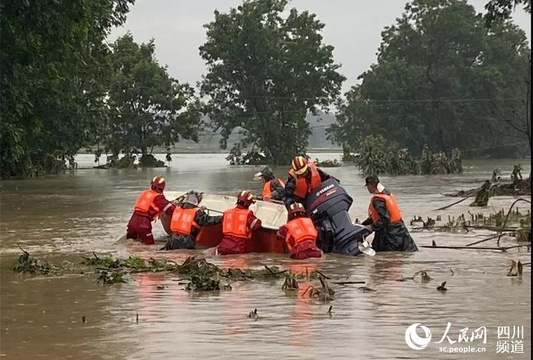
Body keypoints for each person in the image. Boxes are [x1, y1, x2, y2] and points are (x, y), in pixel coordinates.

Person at [361, 175, 418, 252]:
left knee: (385, 257)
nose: (367, 189)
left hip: (389, 234)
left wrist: (371, 227)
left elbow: (385, 219)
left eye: (367, 186)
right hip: (400, 229)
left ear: (370, 185)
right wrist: (362, 226)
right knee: (406, 253)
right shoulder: (387, 194)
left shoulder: (378, 199)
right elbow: (375, 217)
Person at [126, 176, 176, 245]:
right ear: (162, 188)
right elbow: (171, 210)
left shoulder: (145, 193)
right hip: (143, 224)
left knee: (130, 243)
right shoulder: (159, 198)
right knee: (149, 245)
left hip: (132, 222)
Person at [217, 190, 262, 255]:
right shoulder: (248, 214)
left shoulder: (227, 212)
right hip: (238, 248)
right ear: (248, 204)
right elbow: (256, 225)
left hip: (223, 246)